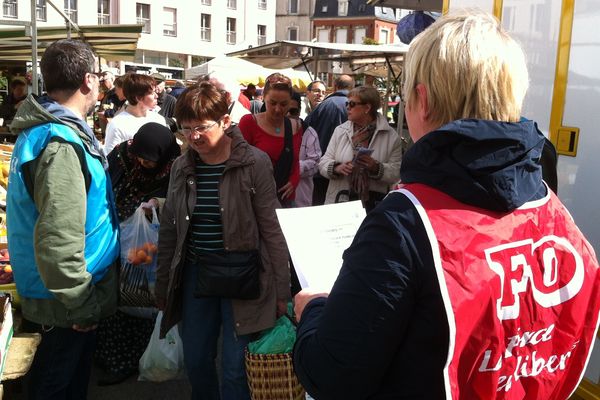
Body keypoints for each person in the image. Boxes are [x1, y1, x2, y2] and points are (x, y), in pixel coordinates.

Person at [293, 12, 600, 400]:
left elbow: (329, 374)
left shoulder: (404, 222)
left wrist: (314, 310)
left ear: (422, 100)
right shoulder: (547, 202)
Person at [155, 81, 290, 400]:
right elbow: (170, 229)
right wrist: (163, 286)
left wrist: (281, 289)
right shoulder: (182, 166)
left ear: (225, 122)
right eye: (185, 128)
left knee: (234, 368)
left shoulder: (253, 162)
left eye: (201, 127)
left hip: (243, 276)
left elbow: (272, 227)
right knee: (197, 360)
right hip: (196, 274)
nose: (193, 136)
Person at [6, 39, 120, 399]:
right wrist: (81, 303)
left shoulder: (56, 132)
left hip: (64, 295)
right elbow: (58, 236)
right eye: (99, 76)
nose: (101, 83)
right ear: (88, 80)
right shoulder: (59, 142)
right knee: (57, 387)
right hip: (65, 303)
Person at [95, 122, 180, 385]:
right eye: (141, 156)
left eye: (150, 160)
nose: (143, 162)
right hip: (113, 236)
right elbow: (103, 185)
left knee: (138, 295)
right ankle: (109, 356)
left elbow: (179, 198)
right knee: (112, 295)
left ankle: (132, 359)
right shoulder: (122, 154)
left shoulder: (175, 165)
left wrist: (158, 204)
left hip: (148, 244)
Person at [318, 86, 401, 212]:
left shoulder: (391, 136)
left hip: (373, 206)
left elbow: (397, 173)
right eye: (347, 103)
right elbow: (323, 162)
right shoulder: (340, 131)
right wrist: (336, 167)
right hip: (340, 202)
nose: (347, 107)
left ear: (367, 108)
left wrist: (376, 167)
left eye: (352, 104)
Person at [238, 73, 302, 207]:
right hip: (257, 200)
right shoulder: (249, 122)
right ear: (263, 99)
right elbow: (238, 162)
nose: (278, 109)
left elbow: (295, 162)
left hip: (285, 199)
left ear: (290, 101)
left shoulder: (296, 126)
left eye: (284, 104)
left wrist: (294, 181)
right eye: (272, 103)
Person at [305, 74, 354, 205]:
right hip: (345, 171)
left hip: (320, 169)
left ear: (335, 87)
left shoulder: (323, 106)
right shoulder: (355, 107)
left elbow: (306, 132)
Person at [104, 73, 167, 155]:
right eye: (152, 93)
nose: (156, 96)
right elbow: (110, 157)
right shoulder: (117, 125)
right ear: (138, 97)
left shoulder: (159, 119)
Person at [288, 91, 321, 208]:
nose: (287, 115)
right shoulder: (270, 130)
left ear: (299, 111)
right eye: (284, 109)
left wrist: (292, 168)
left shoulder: (309, 133)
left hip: (300, 199)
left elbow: (315, 163)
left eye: (292, 111)